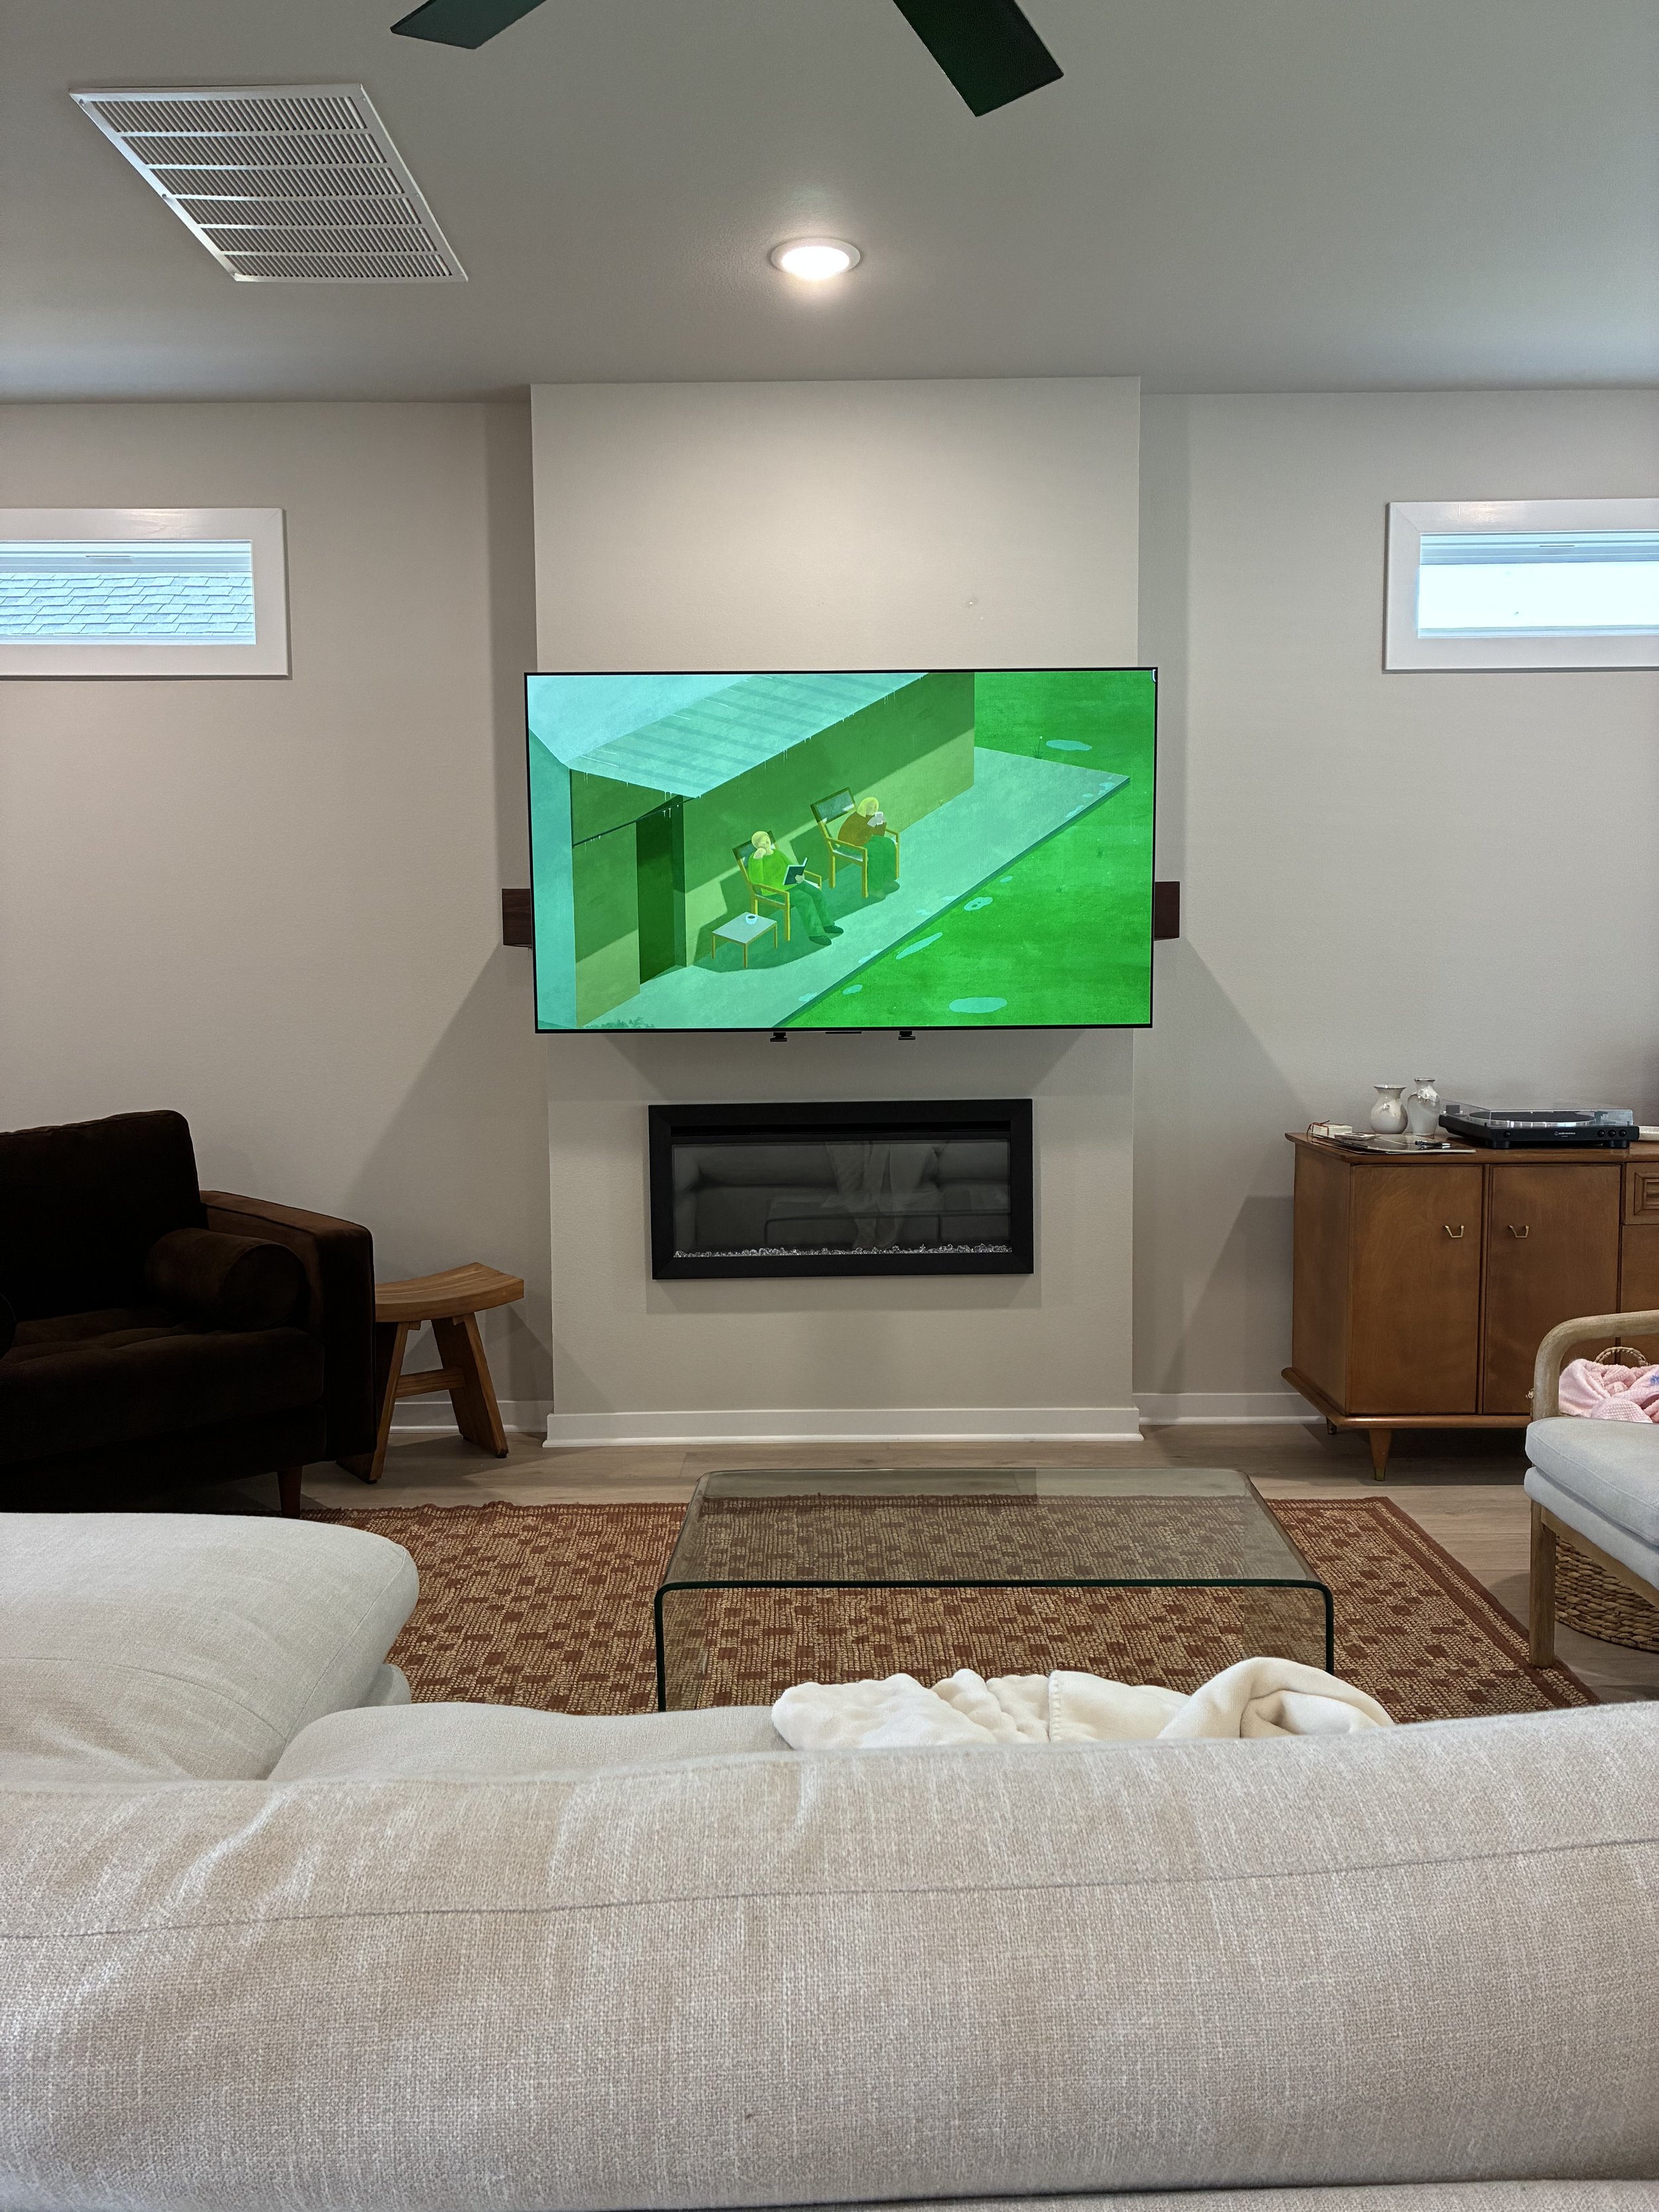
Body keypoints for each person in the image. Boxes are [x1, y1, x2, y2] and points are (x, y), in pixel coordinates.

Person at [748, 830, 841, 944]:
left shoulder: (777, 853)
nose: (766, 844)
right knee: (805, 900)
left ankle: (827, 924)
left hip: (791, 883)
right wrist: (759, 858)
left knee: (816, 893)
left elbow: (791, 866)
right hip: (776, 891)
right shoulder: (755, 859)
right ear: (757, 846)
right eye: (762, 843)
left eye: (767, 840)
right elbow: (756, 880)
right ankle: (815, 933)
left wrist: (800, 875)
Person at [833, 796, 898, 889]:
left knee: (888, 844)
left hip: (865, 840)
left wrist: (882, 823)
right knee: (876, 851)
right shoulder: (854, 820)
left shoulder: (871, 817)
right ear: (864, 807)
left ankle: (888, 879)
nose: (873, 810)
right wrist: (870, 826)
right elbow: (857, 840)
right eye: (870, 808)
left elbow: (878, 836)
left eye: (875, 807)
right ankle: (874, 887)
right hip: (850, 844)